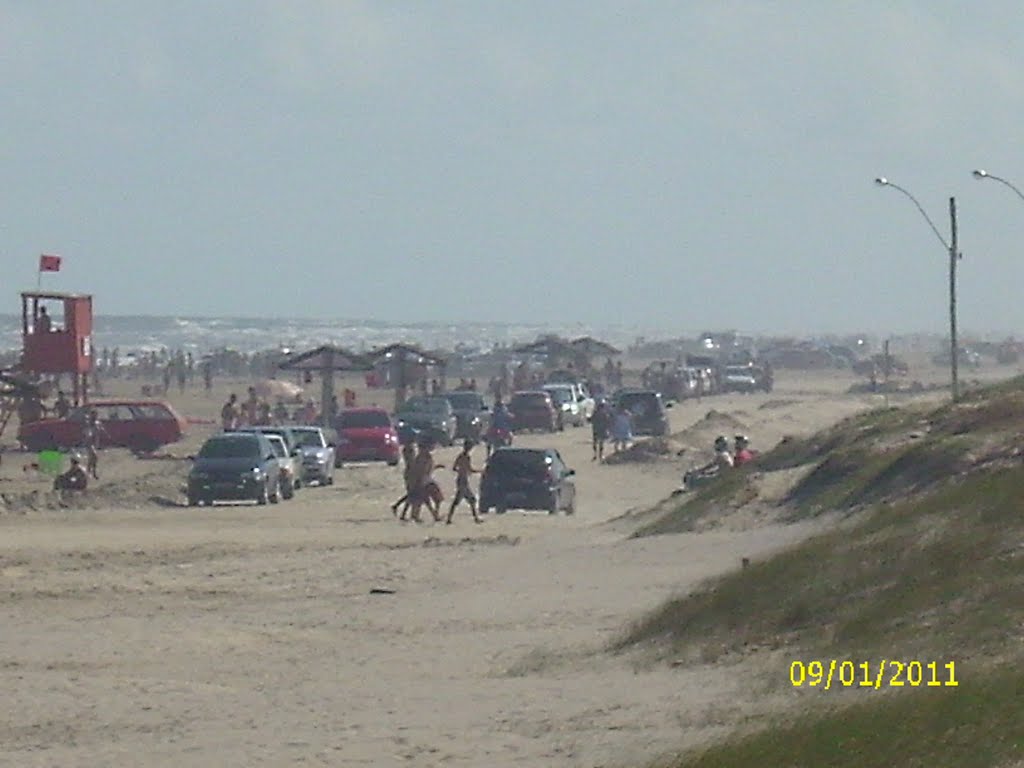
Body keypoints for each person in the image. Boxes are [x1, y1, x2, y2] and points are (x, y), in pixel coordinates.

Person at [447, 440, 482, 524]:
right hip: (463, 481)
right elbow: (469, 469)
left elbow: (454, 467)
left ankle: (449, 518)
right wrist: (477, 471)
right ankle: (476, 519)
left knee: (464, 500)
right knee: (469, 500)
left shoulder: (460, 456)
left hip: (461, 480)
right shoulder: (466, 457)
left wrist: (462, 471)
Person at [392, 442, 419, 518]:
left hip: (409, 472)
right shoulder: (409, 456)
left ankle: (401, 511)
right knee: (411, 494)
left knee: (411, 494)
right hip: (410, 473)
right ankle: (398, 508)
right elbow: (411, 463)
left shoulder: (407, 453)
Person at [82, 409, 104, 480]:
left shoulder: (97, 423)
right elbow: (86, 432)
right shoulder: (89, 423)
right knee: (93, 457)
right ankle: (91, 473)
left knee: (93, 459)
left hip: (95, 442)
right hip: (89, 442)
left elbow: (99, 430)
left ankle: (91, 473)